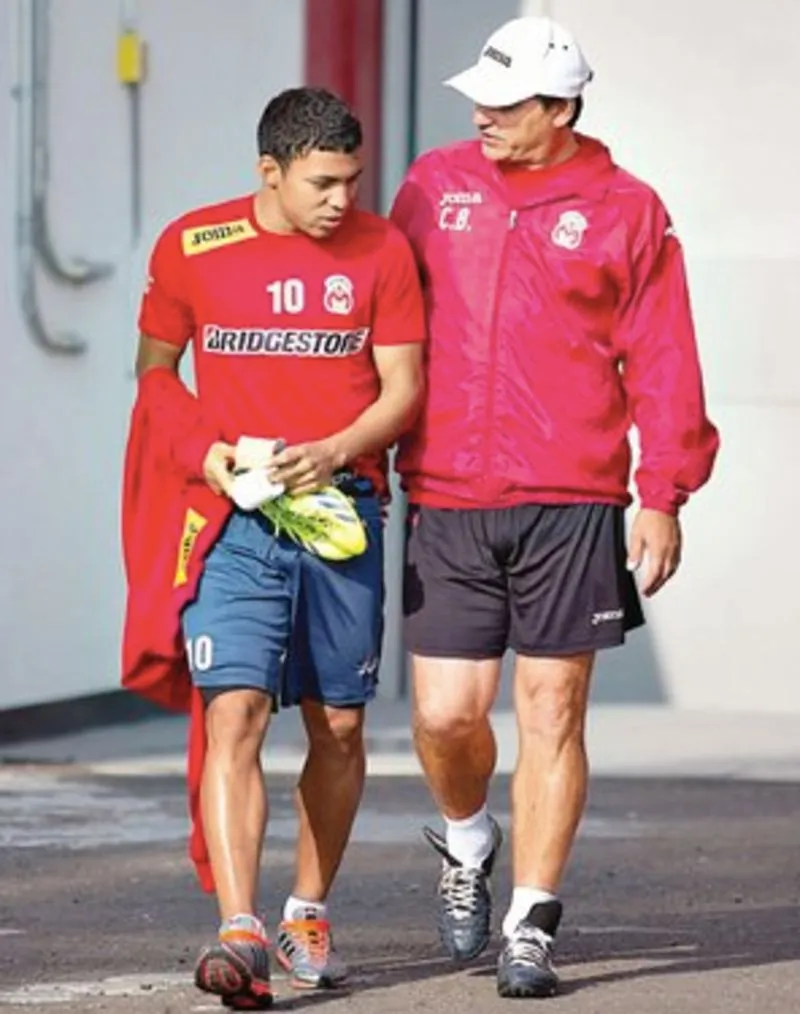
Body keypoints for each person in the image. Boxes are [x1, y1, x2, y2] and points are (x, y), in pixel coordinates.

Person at [390, 16, 719, 1000]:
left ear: (559, 108)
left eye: (502, 105)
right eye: (476, 103)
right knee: (446, 717)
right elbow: (381, 320)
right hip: (445, 494)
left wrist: (660, 492)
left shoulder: (627, 210)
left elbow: (662, 361)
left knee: (550, 710)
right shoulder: (433, 184)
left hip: (570, 499)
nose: (481, 118)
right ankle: (465, 836)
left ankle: (528, 921)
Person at [132, 86, 425, 1009]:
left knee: (337, 724)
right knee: (237, 713)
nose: (342, 199)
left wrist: (338, 450)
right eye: (323, 183)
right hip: (232, 523)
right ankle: (240, 932)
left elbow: (404, 386)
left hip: (343, 516)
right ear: (270, 171)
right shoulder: (193, 244)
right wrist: (205, 454)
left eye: (352, 180)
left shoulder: (384, 250)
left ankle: (305, 911)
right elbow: (153, 371)